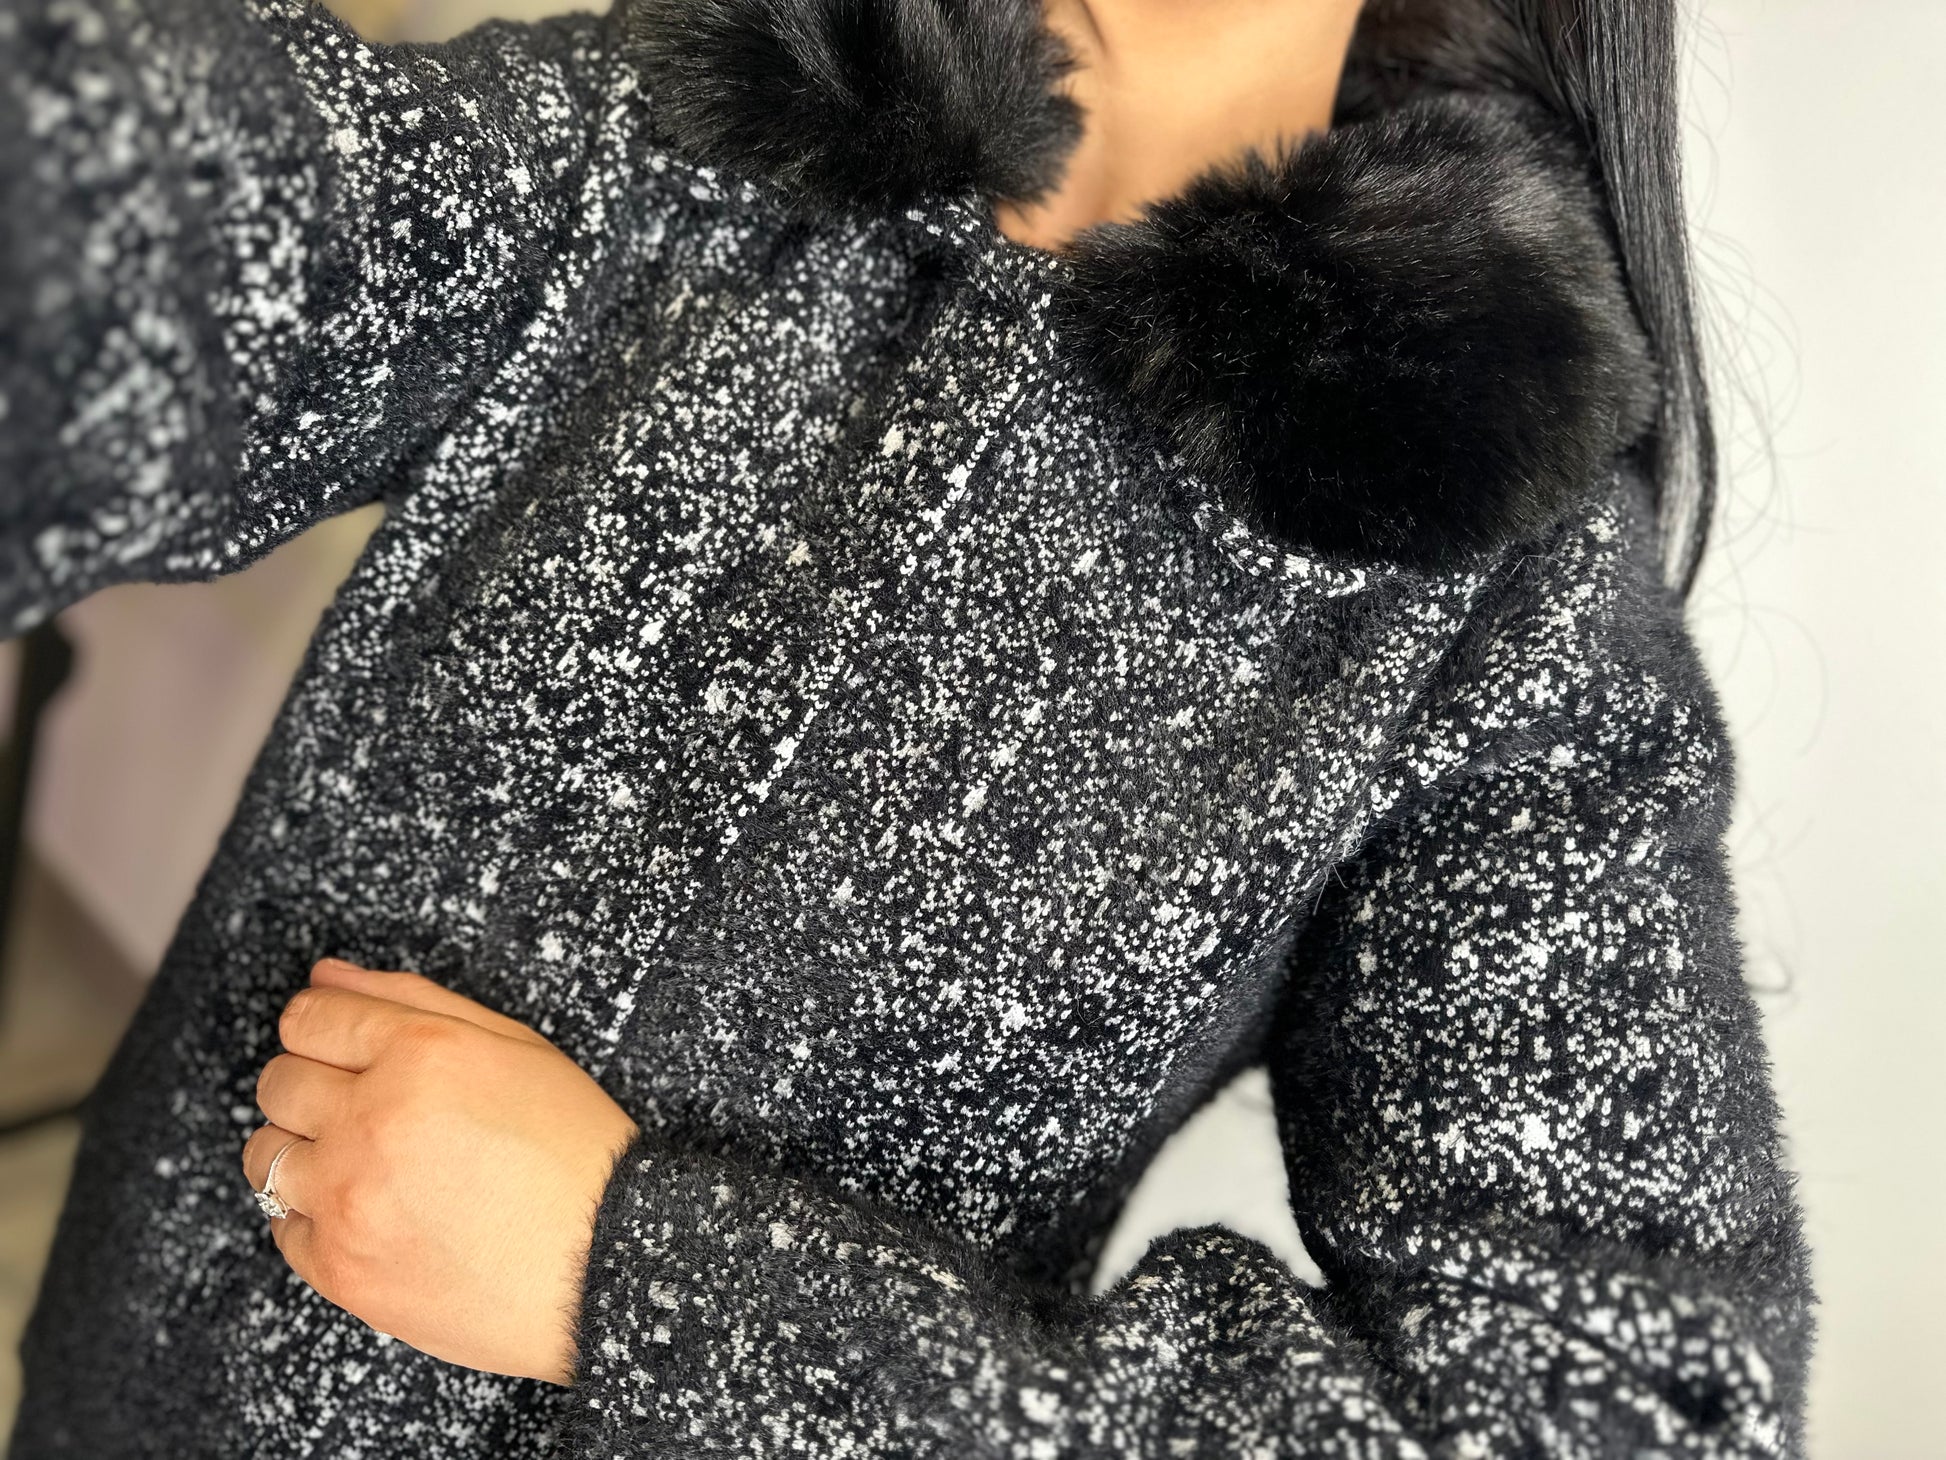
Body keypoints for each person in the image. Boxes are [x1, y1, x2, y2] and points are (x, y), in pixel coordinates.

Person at [2, 0, 1813, 1450]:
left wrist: (647, 1290)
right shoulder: (689, 125)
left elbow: (1612, 1409)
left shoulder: (1490, 607)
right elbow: (172, 220)